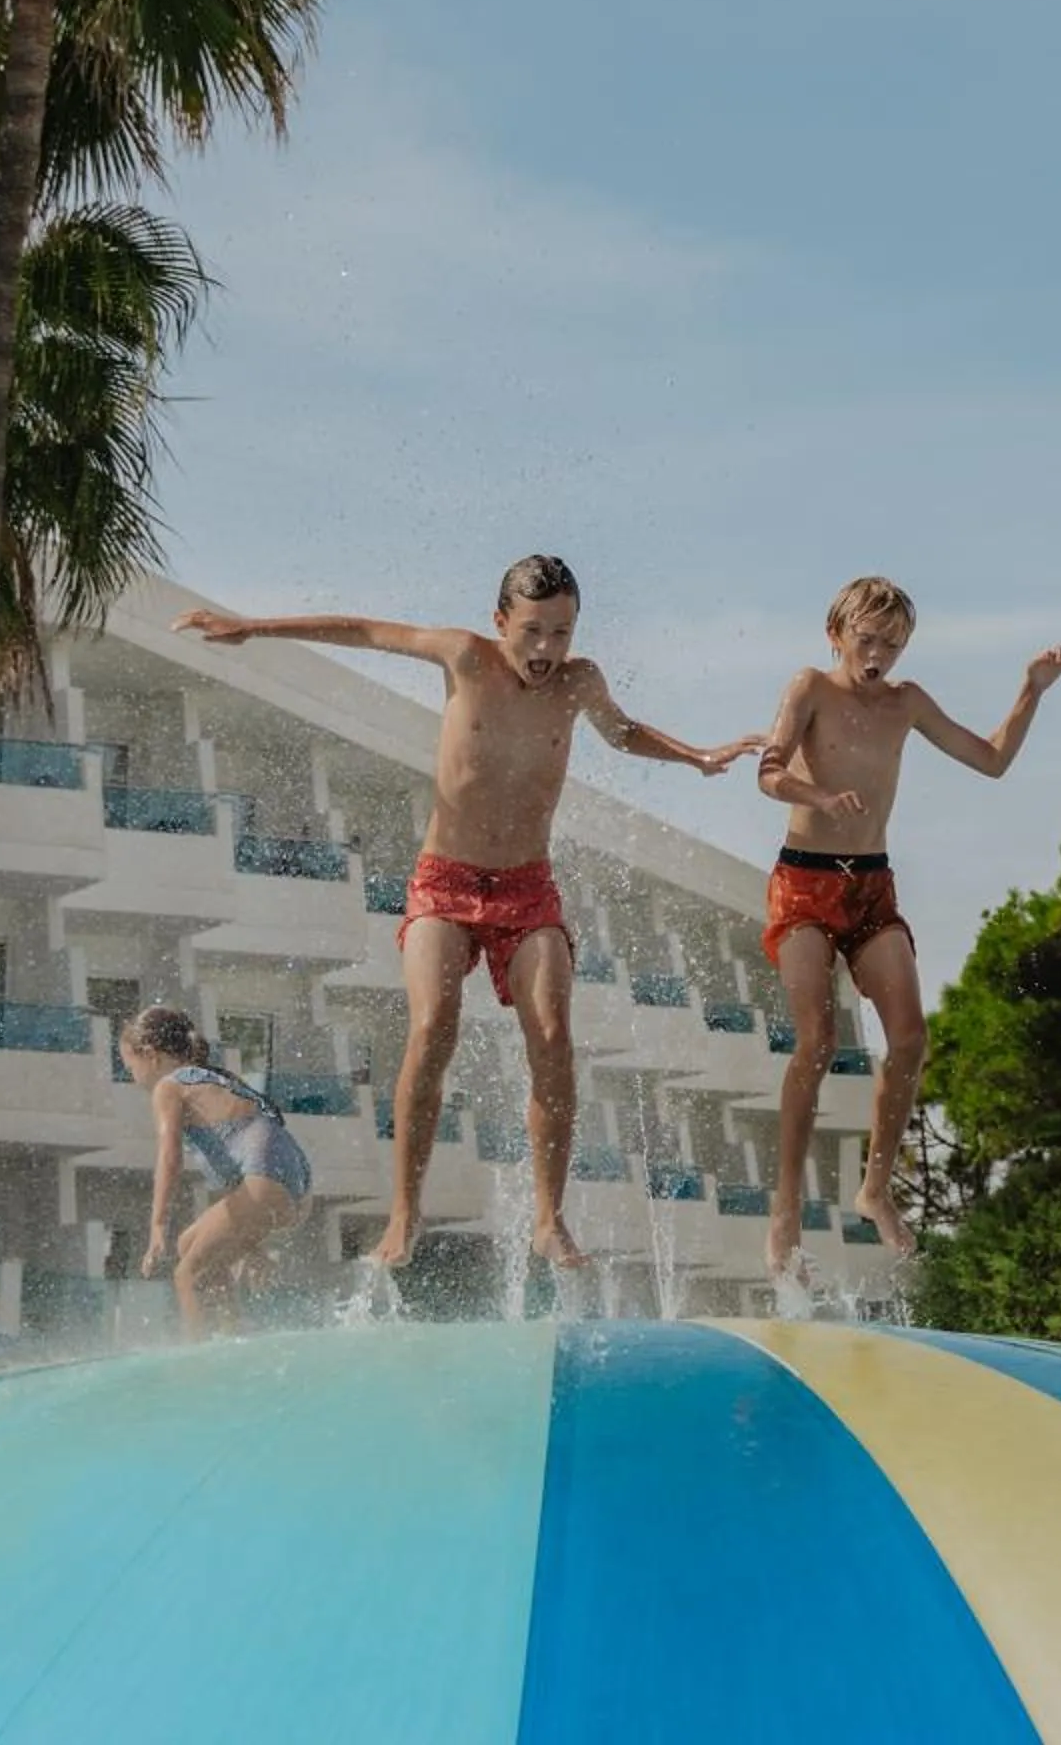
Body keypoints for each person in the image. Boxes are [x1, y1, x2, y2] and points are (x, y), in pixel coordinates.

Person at [174, 556, 758, 1273]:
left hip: (528, 889)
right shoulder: (463, 656)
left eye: (562, 633)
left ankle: (548, 1220)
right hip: (445, 883)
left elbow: (624, 731)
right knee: (433, 1026)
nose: (546, 650)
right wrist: (253, 627)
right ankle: (404, 1213)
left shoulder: (580, 683)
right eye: (532, 631)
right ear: (499, 621)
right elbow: (364, 630)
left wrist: (698, 758)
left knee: (552, 1034)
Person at [752, 575, 1061, 1288]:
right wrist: (817, 794)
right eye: (866, 640)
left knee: (910, 1037)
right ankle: (785, 1212)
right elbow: (768, 773)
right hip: (804, 882)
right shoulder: (810, 686)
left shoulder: (908, 703)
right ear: (836, 635)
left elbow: (992, 761)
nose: (877, 656)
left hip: (871, 885)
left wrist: (1032, 690)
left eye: (892, 645)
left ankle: (874, 1188)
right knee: (817, 1039)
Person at [129, 1005, 312, 1338]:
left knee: (187, 1274)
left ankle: (197, 1355)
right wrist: (252, 1245)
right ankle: (232, 1331)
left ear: (150, 1055)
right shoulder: (216, 1079)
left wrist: (157, 1225)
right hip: (297, 1185)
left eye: (130, 1066)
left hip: (264, 1179)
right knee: (189, 1245)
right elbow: (252, 1153)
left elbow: (169, 1157)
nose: (132, 1077)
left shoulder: (168, 1086)